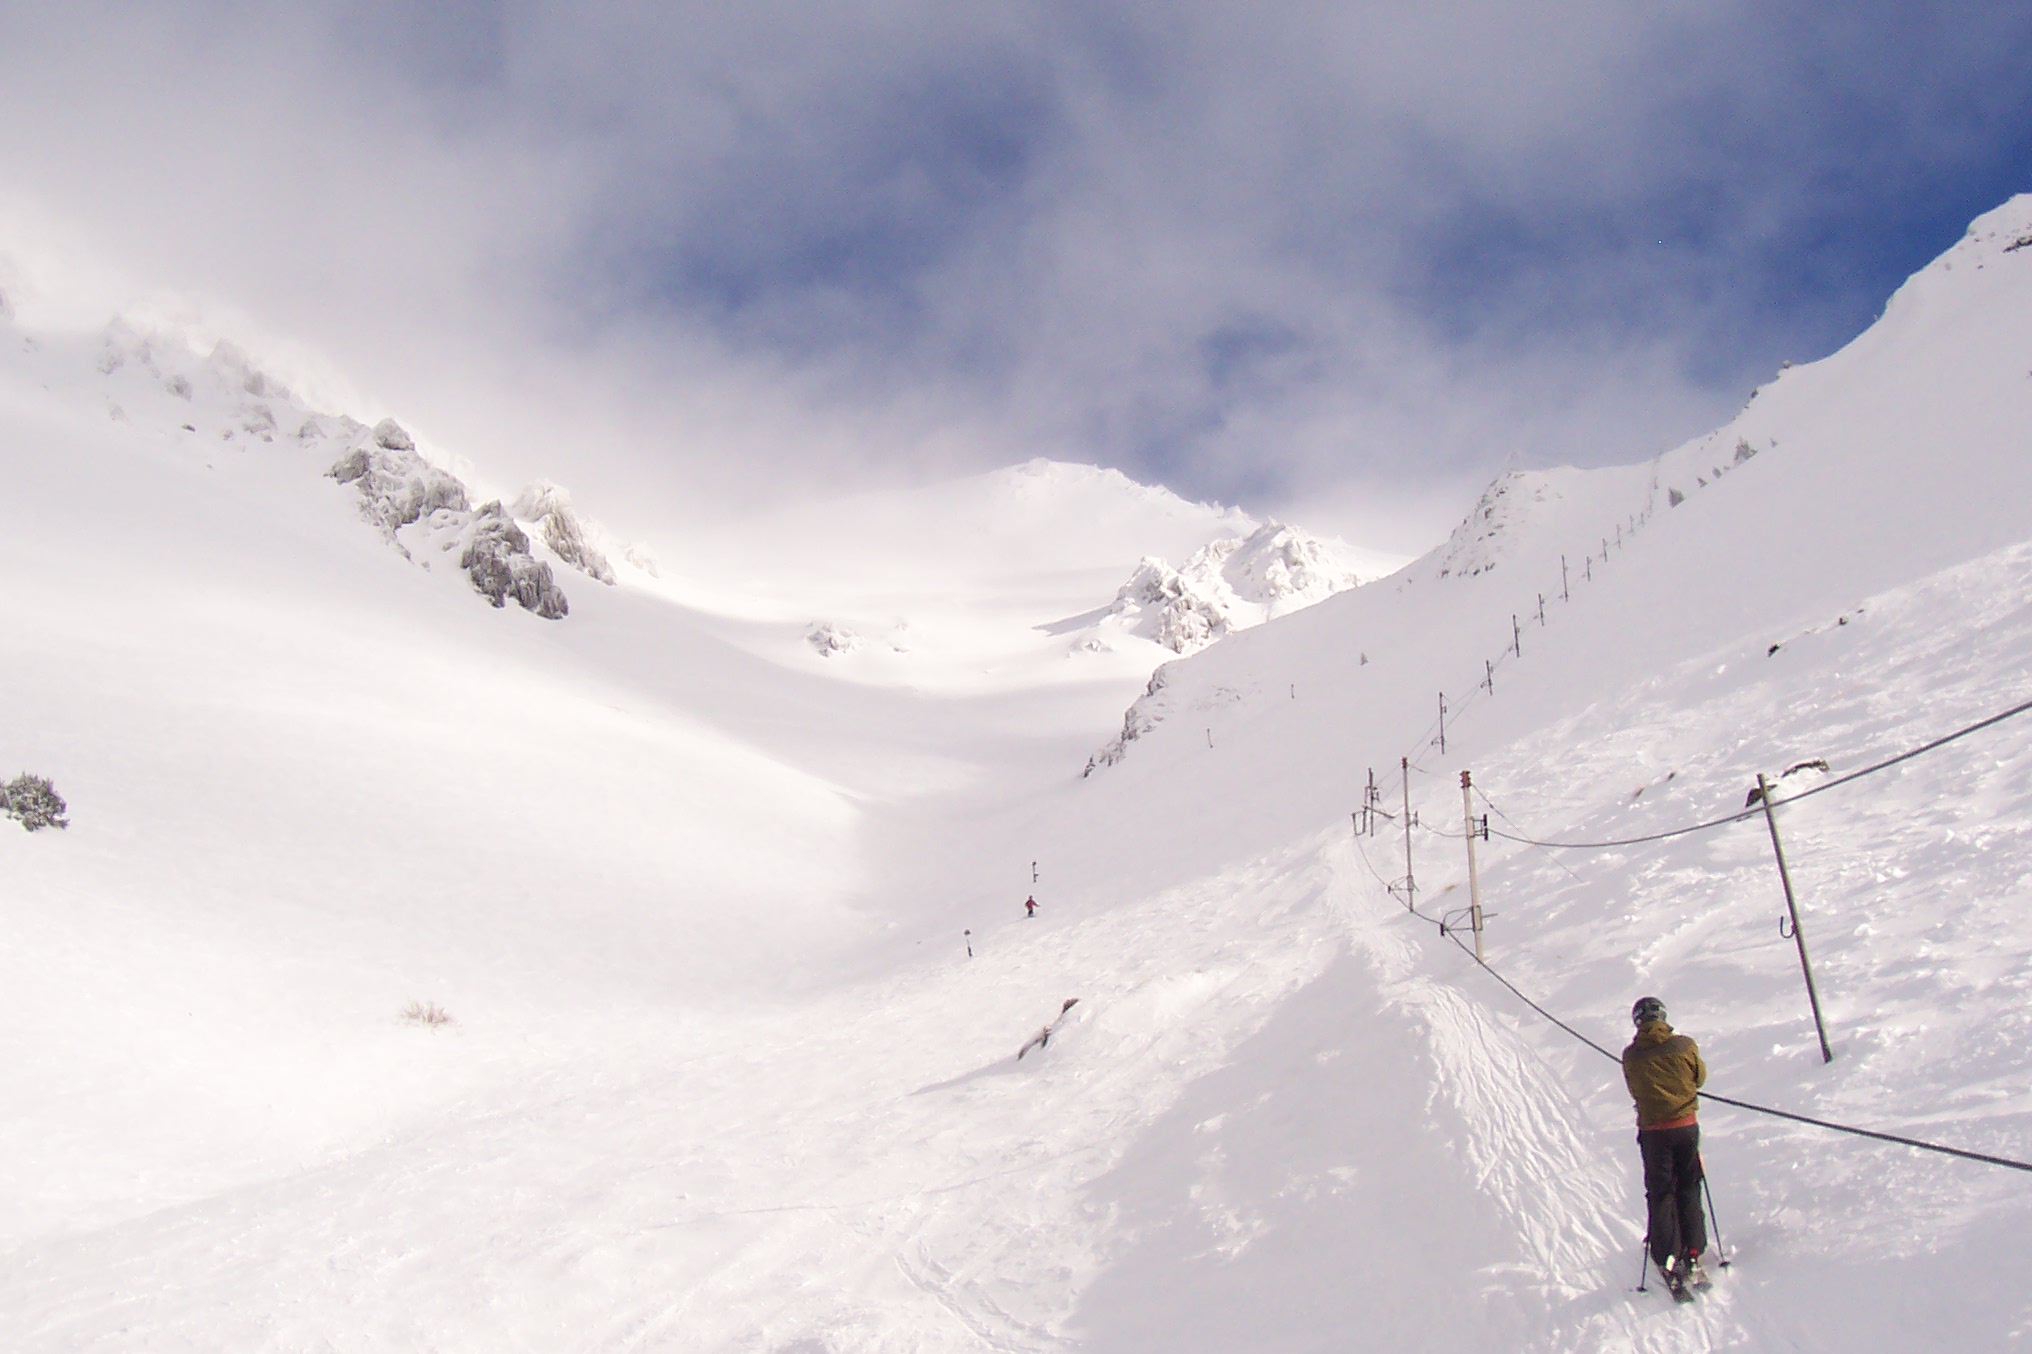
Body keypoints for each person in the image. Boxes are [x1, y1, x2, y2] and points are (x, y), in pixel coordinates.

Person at [1622, 996, 1710, 1296]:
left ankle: (1667, 1251)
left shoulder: (1631, 1056)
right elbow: (1699, 1078)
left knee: (1661, 1192)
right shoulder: (1684, 1046)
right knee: (1689, 1185)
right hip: (1686, 1127)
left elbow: (1634, 1089)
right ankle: (1695, 1247)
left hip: (1653, 1133)